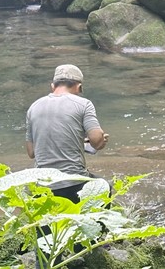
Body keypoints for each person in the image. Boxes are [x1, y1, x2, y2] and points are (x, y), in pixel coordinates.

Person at [25, 64, 109, 203]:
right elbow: (96, 142)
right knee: (105, 188)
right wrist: (101, 140)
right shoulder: (84, 104)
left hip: (42, 187)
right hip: (74, 184)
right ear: (79, 87)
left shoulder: (33, 107)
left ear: (53, 86)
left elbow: (31, 152)